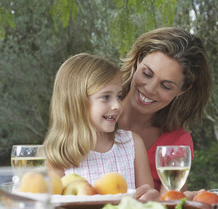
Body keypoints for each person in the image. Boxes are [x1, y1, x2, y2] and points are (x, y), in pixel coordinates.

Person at [118, 27, 212, 194]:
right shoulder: (95, 114)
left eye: (166, 86)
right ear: (138, 60)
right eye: (147, 74)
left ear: (182, 91)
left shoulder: (176, 142)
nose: (150, 88)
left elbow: (170, 207)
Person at [44, 53, 154, 190]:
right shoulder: (59, 155)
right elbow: (55, 208)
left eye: (119, 96)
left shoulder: (132, 144)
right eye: (106, 97)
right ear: (77, 102)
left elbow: (150, 200)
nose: (117, 105)